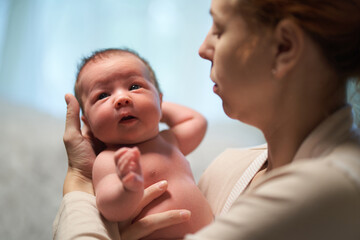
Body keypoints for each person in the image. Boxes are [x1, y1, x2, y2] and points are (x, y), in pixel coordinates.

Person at [53, 0, 360, 239]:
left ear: (284, 47)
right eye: (102, 96)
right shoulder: (228, 167)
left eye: (219, 28)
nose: (202, 49)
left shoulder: (328, 190)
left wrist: (78, 181)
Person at [65, 48, 213, 239]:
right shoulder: (109, 160)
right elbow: (111, 209)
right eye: (102, 95)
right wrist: (127, 188)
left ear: (160, 101)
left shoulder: (169, 141)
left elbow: (197, 121)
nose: (121, 99)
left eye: (134, 86)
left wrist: (154, 106)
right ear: (88, 123)